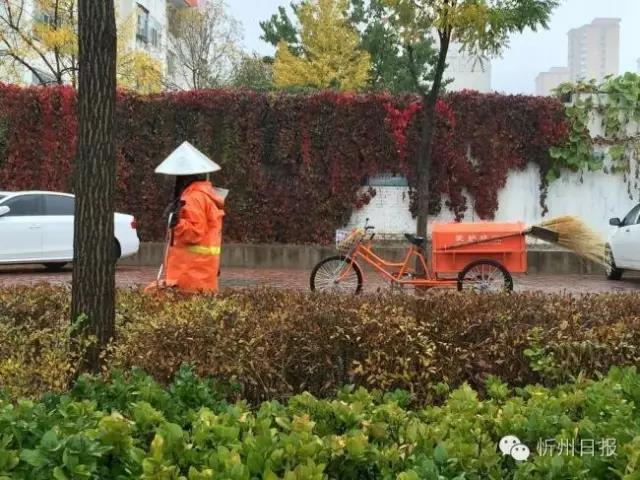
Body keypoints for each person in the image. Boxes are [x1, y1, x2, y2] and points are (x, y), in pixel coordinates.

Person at [152, 141, 225, 293]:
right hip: (200, 275)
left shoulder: (193, 198)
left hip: (190, 277)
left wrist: (176, 223)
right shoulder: (203, 196)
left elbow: (194, 233)